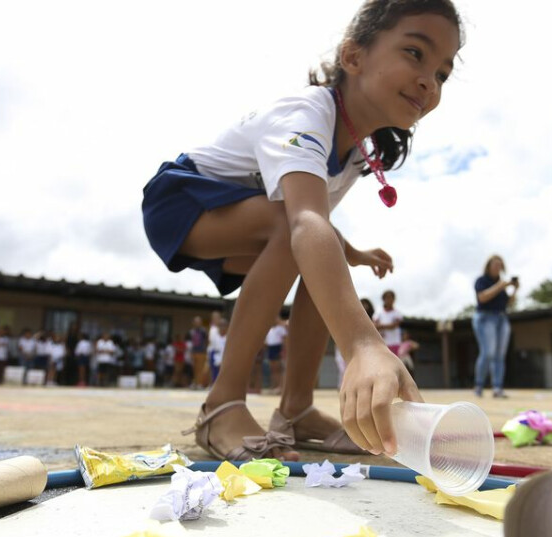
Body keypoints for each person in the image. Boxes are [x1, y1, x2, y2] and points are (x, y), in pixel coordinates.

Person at [141, 0, 454, 458]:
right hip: (180, 201)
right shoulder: (306, 113)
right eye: (414, 53)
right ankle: (221, 405)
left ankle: (296, 409)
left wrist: (353, 252)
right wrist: (364, 344)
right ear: (353, 57)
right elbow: (303, 220)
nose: (430, 79)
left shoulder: (352, 155)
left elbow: (313, 222)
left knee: (317, 262)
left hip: (253, 216)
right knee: (295, 236)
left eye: (443, 73)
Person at [473, 255, 517, 398]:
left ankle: (497, 387)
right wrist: (500, 286)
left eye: (500, 265)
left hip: (501, 318)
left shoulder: (501, 285)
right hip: (485, 318)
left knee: (500, 355)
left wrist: (515, 290)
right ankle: (479, 385)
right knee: (488, 353)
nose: (498, 268)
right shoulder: (482, 281)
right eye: (495, 265)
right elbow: (483, 297)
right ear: (489, 266)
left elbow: (509, 303)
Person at [336, 298, 374, 386]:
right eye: (362, 304)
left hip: (362, 349)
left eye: (365, 305)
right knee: (344, 370)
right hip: (345, 348)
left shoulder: (373, 321)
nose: (364, 307)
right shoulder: (347, 319)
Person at [373, 290, 404, 354]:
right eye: (387, 298)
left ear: (394, 299)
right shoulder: (378, 313)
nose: (389, 300)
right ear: (383, 299)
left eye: (391, 298)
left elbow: (394, 326)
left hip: (394, 343)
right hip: (381, 344)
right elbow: (374, 326)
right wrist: (388, 326)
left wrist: (381, 326)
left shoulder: (397, 313)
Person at [264, 314, 288, 393]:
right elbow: (267, 342)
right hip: (271, 349)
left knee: (279, 369)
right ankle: (274, 386)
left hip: (278, 348)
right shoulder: (269, 330)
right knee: (272, 369)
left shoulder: (280, 329)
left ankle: (280, 386)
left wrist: (283, 350)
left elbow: (284, 339)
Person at [189, 317, 209, 389]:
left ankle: (199, 384)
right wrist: (191, 352)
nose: (197, 323)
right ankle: (195, 383)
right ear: (193, 323)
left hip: (201, 351)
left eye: (198, 321)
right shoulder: (192, 331)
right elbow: (191, 343)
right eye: (196, 322)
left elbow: (206, 340)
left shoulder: (203, 331)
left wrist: (205, 350)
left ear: (201, 323)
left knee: (200, 369)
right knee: (194, 369)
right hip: (194, 351)